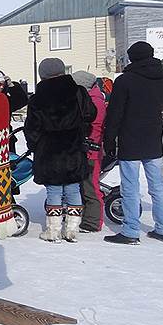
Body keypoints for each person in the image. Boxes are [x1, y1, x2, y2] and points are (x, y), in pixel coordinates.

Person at [103, 41, 163, 245]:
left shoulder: (125, 81)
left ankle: (131, 231)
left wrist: (109, 138)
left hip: (130, 138)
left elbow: (115, 113)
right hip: (153, 137)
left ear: (132, 57)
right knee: (157, 187)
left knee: (130, 187)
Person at [25, 58, 96, 243]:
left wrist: (34, 146)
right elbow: (91, 114)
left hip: (48, 151)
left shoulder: (37, 98)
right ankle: (72, 230)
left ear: (43, 74)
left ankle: (53, 230)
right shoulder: (78, 91)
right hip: (73, 148)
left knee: (54, 190)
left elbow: (31, 128)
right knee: (73, 188)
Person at [72, 71, 107, 233]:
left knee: (90, 187)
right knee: (86, 185)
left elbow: (94, 127)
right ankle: (88, 217)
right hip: (87, 149)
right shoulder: (93, 99)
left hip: (91, 150)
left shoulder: (94, 103)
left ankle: (93, 222)